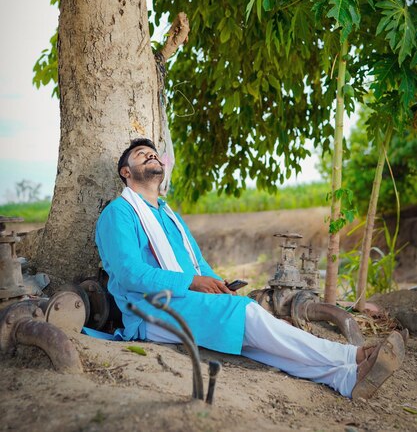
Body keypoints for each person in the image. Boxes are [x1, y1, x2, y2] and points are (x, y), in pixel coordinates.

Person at [95, 138, 406, 400]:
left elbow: (198, 264)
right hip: (150, 310)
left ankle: (346, 380)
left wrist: (218, 284)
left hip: (184, 298)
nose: (150, 154)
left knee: (258, 343)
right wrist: (194, 282)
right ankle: (352, 356)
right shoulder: (118, 213)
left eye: (152, 152)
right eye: (140, 154)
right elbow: (129, 274)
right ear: (126, 172)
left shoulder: (168, 215)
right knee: (249, 315)